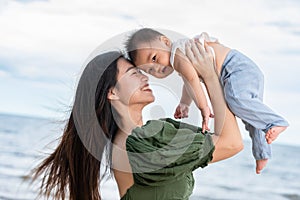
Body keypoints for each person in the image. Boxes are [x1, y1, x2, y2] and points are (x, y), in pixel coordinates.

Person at [31, 42, 243, 200]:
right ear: (112, 92)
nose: (145, 78)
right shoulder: (139, 143)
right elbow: (232, 143)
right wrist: (210, 76)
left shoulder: (132, 139)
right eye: (133, 73)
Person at [125, 28, 289, 174]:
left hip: (235, 68)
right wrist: (184, 102)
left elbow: (192, 80)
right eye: (150, 70)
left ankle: (276, 121)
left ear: (165, 41)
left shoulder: (178, 54)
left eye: (154, 58)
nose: (157, 68)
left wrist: (203, 108)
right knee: (251, 117)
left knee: (236, 101)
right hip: (239, 71)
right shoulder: (180, 58)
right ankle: (262, 154)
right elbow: (189, 81)